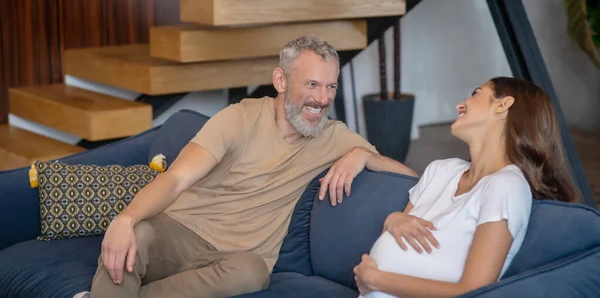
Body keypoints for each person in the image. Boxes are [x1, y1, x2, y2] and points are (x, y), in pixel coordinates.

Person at [78, 36, 417, 298]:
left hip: (237, 260)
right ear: (281, 81)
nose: (323, 99)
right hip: (183, 232)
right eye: (311, 84)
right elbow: (176, 178)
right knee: (137, 234)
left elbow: (416, 179)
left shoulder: (335, 137)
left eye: (330, 87)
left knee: (253, 273)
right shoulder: (239, 118)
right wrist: (126, 219)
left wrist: (363, 155)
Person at [353, 76, 580, 298]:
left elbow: (473, 290)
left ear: (503, 105)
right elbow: (394, 237)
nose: (460, 105)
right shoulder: (440, 170)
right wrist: (393, 218)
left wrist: (375, 279)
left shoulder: (506, 185)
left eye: (476, 93)